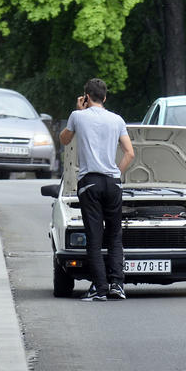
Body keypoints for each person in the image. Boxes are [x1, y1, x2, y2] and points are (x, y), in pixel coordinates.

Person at [59, 78, 135, 301]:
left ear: (86, 96)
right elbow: (130, 153)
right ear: (105, 97)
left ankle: (99, 288)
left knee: (94, 236)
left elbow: (64, 140)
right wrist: (116, 174)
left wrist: (77, 110)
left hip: (90, 182)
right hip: (112, 182)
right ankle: (117, 285)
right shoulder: (117, 119)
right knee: (114, 235)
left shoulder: (78, 116)